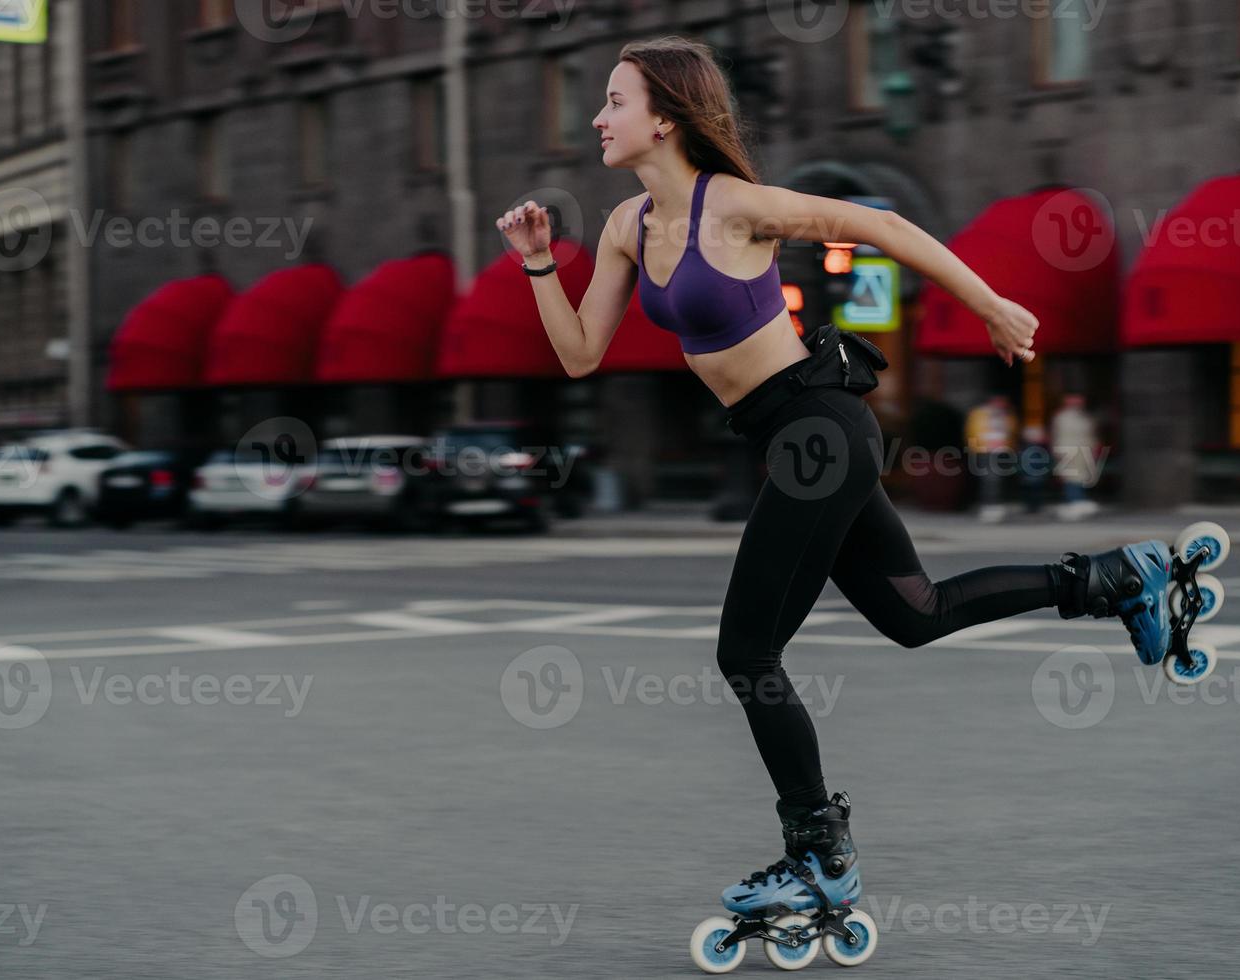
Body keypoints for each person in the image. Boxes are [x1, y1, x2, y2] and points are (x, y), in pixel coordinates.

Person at [494, 35, 1167, 944]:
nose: (597, 118)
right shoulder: (624, 227)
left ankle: (819, 851)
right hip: (794, 441)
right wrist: (539, 262)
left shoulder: (735, 205)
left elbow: (882, 228)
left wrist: (992, 305)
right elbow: (579, 356)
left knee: (745, 652)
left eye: (615, 101)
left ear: (665, 117)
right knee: (913, 612)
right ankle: (1116, 580)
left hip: (820, 426)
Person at [964, 394, 1017, 523]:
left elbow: (1013, 430)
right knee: (989, 479)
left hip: (1003, 450)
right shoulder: (979, 414)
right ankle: (989, 505)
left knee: (999, 478)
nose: (1002, 404)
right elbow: (972, 431)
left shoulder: (1006, 415)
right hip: (985, 450)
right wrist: (976, 446)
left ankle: (998, 504)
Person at [1052, 393, 1101, 520]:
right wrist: (1058, 451)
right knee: (1071, 478)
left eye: (1079, 401)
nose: (1077, 403)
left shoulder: (1086, 417)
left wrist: (1094, 449)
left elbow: (1091, 435)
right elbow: (1057, 435)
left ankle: (1079, 501)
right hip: (1068, 450)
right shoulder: (1061, 417)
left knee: (1082, 477)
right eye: (1074, 401)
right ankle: (1074, 502)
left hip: (1084, 451)